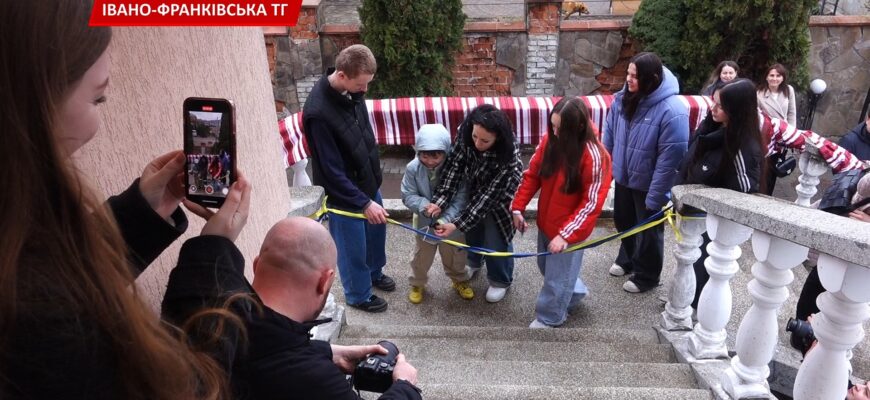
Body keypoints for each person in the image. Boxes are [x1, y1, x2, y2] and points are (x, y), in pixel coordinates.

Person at [0, 1, 248, 398]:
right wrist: (214, 253)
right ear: (29, 104)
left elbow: (58, 268)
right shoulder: (40, 320)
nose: (98, 120)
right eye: (98, 98)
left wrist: (141, 213)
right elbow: (185, 388)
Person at [164, 217, 422, 399]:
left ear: (256, 265)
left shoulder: (218, 317)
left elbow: (271, 346)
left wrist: (327, 351)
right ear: (325, 281)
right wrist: (404, 386)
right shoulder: (316, 381)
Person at [303, 44, 394, 313]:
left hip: (367, 183)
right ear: (342, 75)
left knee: (375, 237)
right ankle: (358, 294)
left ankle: (374, 274)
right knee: (353, 248)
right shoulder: (318, 113)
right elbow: (330, 171)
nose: (365, 90)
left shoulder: (351, 91)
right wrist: (364, 203)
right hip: (345, 196)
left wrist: (371, 189)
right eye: (361, 84)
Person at [511, 97, 612, 328]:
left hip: (568, 232)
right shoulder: (550, 140)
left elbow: (591, 203)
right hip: (547, 223)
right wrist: (518, 206)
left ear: (577, 126)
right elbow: (533, 173)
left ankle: (551, 318)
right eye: (552, 126)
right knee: (548, 269)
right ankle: (573, 292)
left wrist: (566, 235)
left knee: (556, 279)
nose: (554, 132)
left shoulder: (595, 156)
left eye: (560, 128)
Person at [603, 51, 690, 293]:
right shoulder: (623, 98)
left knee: (649, 230)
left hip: (649, 182)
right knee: (624, 221)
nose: (628, 80)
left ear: (651, 78)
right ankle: (628, 258)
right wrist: (608, 168)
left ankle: (647, 275)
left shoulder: (672, 110)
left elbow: (670, 159)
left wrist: (657, 194)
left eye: (635, 76)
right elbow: (609, 133)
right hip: (624, 176)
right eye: (628, 74)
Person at [676, 79, 766, 308]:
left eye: (720, 106)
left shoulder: (743, 147)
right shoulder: (713, 127)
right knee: (691, 261)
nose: (713, 109)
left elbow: (745, 191)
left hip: (715, 222)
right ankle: (687, 297)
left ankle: (695, 304)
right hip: (695, 211)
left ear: (735, 111)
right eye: (713, 103)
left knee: (705, 265)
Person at [428, 104, 524, 303]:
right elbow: (455, 167)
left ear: (498, 138)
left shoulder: (508, 153)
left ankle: (500, 279)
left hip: (500, 194)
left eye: (485, 140)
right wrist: (440, 201)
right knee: (472, 230)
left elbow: (488, 198)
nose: (478, 143)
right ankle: (474, 260)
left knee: (496, 235)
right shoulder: (466, 131)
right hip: (473, 183)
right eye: (475, 137)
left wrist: (455, 224)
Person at [401, 124, 474, 304]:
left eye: (436, 155)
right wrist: (424, 205)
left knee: (456, 255)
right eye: (424, 155)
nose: (431, 161)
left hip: (452, 224)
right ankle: (417, 283)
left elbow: (461, 199)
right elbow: (407, 194)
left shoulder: (456, 169)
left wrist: (445, 218)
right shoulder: (413, 168)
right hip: (424, 222)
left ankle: (459, 280)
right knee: (421, 257)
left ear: (446, 151)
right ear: (417, 151)